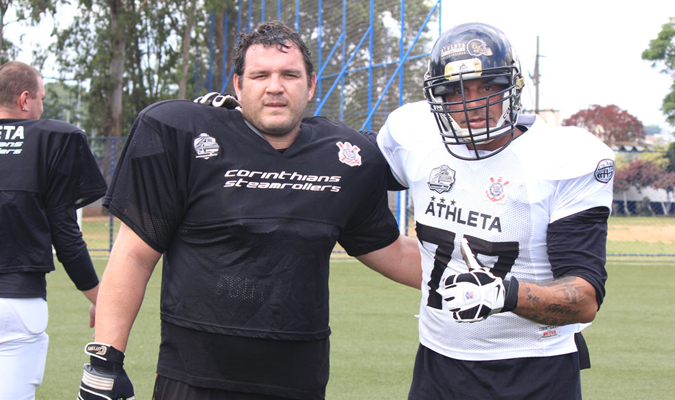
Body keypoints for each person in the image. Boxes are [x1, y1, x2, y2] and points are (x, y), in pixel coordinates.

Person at [76, 21, 420, 400]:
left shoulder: (344, 157)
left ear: (311, 85)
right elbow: (134, 255)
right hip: (193, 377)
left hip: (298, 378)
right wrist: (104, 360)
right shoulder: (183, 135)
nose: (275, 86)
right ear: (238, 85)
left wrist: (486, 278)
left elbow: (392, 250)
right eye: (260, 75)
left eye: (290, 74)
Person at [375, 22, 614, 399]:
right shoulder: (412, 133)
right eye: (455, 91)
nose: (473, 103)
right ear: (436, 97)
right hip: (438, 363)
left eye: (488, 86)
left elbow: (584, 298)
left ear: (513, 88)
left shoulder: (563, 158)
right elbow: (349, 179)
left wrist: (504, 295)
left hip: (535, 366)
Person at [0, 61, 106, 400]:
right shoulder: (54, 139)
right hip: (18, 301)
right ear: (25, 99)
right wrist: (101, 300)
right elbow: (66, 235)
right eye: (42, 98)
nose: (43, 107)